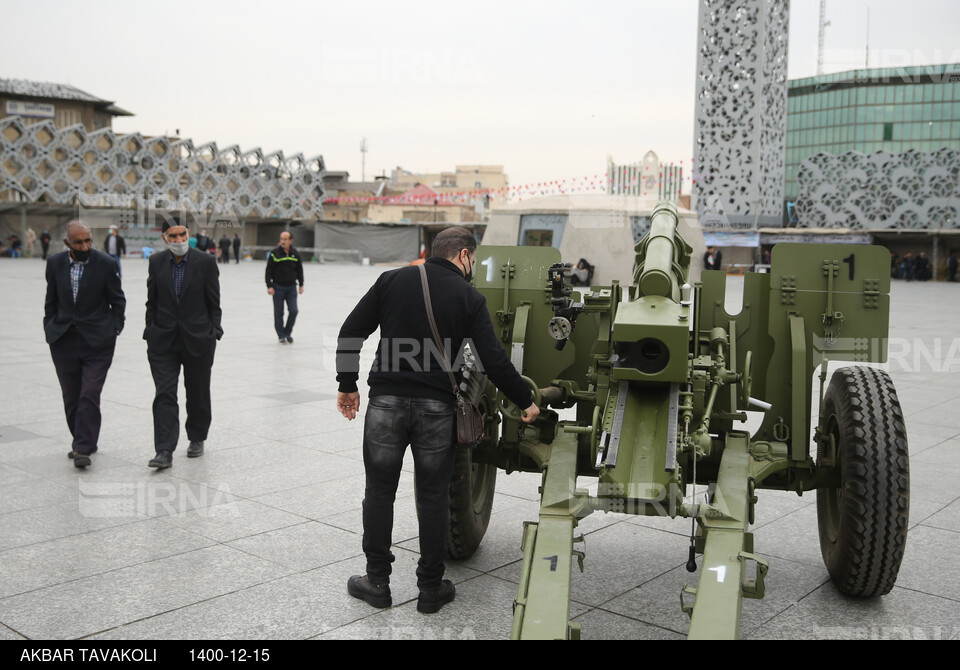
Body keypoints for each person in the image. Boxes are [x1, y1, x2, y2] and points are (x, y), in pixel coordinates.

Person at [336, 226, 540, 615]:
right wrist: (524, 400)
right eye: (473, 261)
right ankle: (430, 588)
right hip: (436, 409)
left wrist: (347, 384)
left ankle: (376, 581)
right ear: (463, 255)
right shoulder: (469, 297)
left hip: (386, 404)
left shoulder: (391, 280)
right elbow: (493, 360)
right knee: (433, 497)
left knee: (379, 493)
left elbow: (350, 333)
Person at [44, 220, 125, 469]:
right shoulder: (55, 263)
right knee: (71, 396)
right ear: (67, 242)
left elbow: (117, 300)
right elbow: (51, 299)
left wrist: (114, 328)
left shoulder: (106, 264)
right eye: (79, 242)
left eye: (88, 240)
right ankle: (84, 439)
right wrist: (50, 327)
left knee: (89, 393)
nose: (85, 245)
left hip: (98, 341)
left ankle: (82, 447)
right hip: (64, 339)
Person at [144, 217, 223, 469]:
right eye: (173, 236)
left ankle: (197, 437)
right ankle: (164, 450)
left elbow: (214, 302)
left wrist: (214, 331)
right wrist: (151, 329)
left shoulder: (206, 262)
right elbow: (152, 300)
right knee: (164, 393)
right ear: (164, 238)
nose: (178, 241)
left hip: (199, 338)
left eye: (182, 235)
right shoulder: (156, 262)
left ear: (188, 234)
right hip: (163, 339)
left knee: (197, 391)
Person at [265, 231, 304, 344]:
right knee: (279, 313)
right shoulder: (274, 253)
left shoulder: (295, 253)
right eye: (282, 239)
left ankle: (287, 332)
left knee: (294, 311)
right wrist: (269, 286)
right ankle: (281, 335)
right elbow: (268, 271)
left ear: (290, 240)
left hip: (291, 287)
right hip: (278, 287)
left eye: (285, 239)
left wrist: (301, 284)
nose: (283, 241)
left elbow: (300, 270)